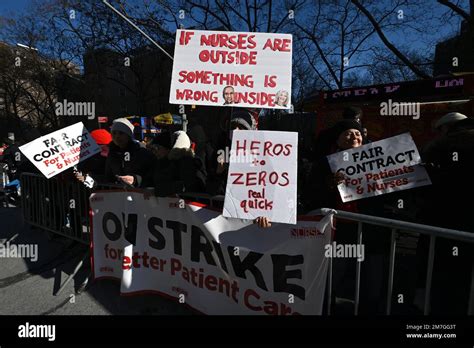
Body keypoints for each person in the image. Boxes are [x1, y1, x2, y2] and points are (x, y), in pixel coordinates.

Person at [415, 112, 474, 315]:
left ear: (446, 128)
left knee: (440, 271)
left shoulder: (438, 147)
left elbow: (422, 185)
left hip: (440, 220)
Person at [151, 130, 206, 197]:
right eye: (152, 149)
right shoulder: (162, 163)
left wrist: (157, 190)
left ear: (169, 148)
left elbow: (188, 186)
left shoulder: (187, 162)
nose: (155, 152)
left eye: (157, 148)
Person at [105, 118, 156, 188]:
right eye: (114, 133)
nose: (117, 136)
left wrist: (135, 180)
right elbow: (108, 177)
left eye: (121, 133)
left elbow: (153, 175)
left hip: (140, 196)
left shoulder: (142, 152)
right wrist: (91, 178)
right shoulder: (112, 154)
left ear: (128, 135)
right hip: (118, 196)